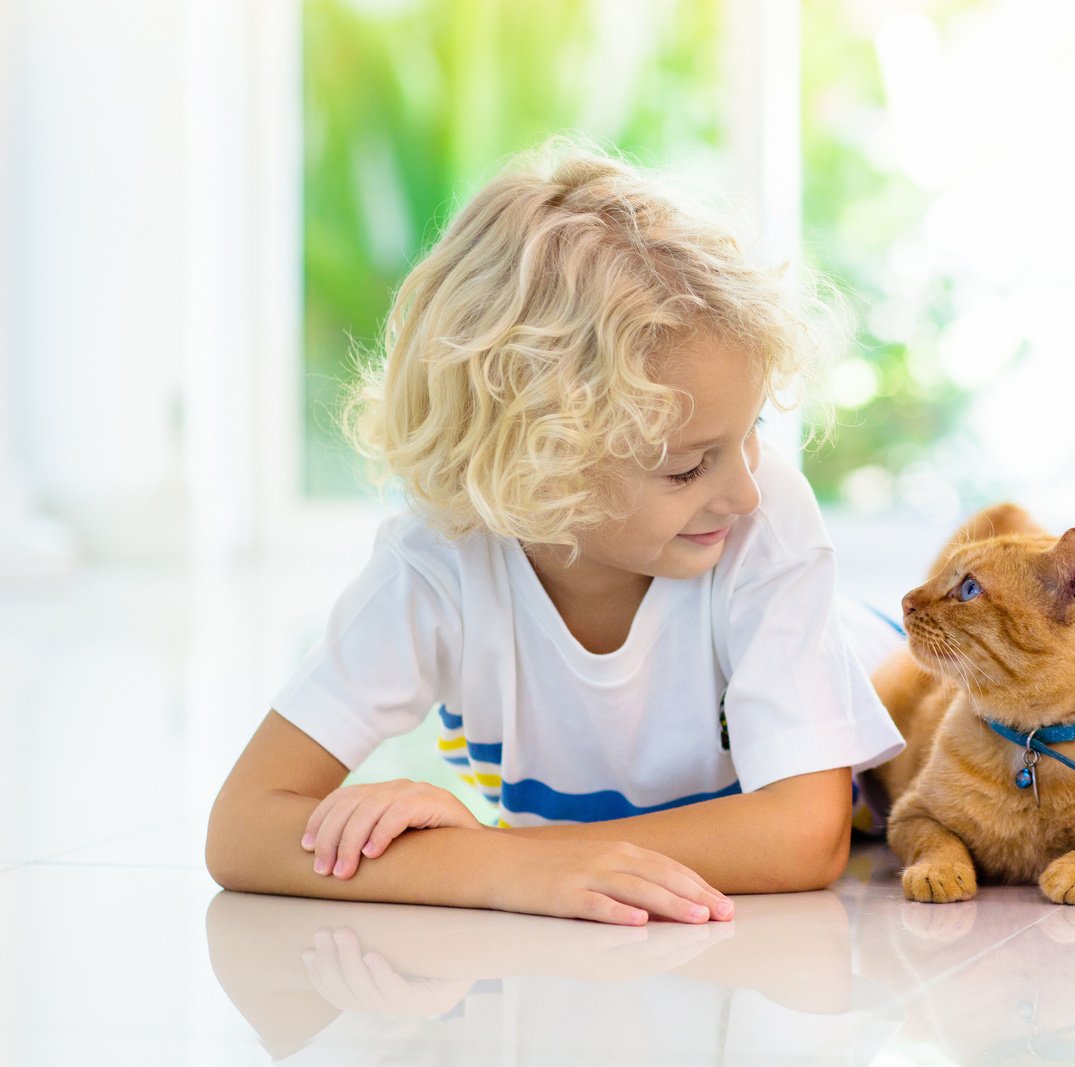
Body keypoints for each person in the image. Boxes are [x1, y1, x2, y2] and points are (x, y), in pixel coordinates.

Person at [206, 143, 905, 926]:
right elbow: (241, 829)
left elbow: (804, 836)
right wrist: (500, 866)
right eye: (684, 468)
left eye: (752, 433)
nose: (740, 487)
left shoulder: (764, 513)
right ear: (536, 469)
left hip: (910, 685)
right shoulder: (440, 563)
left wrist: (513, 857)